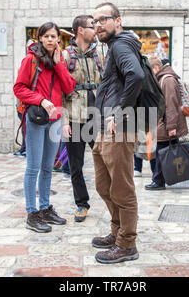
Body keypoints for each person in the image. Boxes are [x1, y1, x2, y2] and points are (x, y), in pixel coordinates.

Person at [91, 2, 144, 264]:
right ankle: (117, 231)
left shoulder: (121, 44)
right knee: (104, 184)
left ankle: (126, 244)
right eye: (95, 21)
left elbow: (136, 75)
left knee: (121, 188)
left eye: (104, 19)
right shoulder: (114, 47)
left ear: (118, 21)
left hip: (120, 127)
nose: (98, 25)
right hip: (104, 126)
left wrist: (121, 111)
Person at [13, 22, 76, 233]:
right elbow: (18, 88)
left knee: (49, 167)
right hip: (37, 119)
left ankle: (46, 208)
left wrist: (59, 65)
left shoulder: (58, 61)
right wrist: (40, 100)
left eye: (53, 36)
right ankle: (32, 213)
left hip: (55, 119)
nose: (50, 39)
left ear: (59, 38)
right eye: (46, 36)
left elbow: (68, 87)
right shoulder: (30, 60)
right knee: (33, 167)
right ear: (40, 38)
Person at [61, 15, 104, 222]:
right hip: (74, 118)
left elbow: (105, 86)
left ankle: (112, 197)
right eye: (91, 26)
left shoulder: (98, 56)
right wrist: (63, 123)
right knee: (76, 165)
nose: (95, 30)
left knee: (106, 159)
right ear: (80, 30)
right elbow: (59, 92)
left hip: (95, 117)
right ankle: (82, 203)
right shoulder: (66, 56)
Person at [144, 57, 188, 190]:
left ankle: (158, 180)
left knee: (162, 151)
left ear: (156, 68)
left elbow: (171, 104)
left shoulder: (167, 80)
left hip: (167, 122)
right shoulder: (164, 79)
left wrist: (171, 126)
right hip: (165, 121)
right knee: (166, 151)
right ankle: (164, 178)